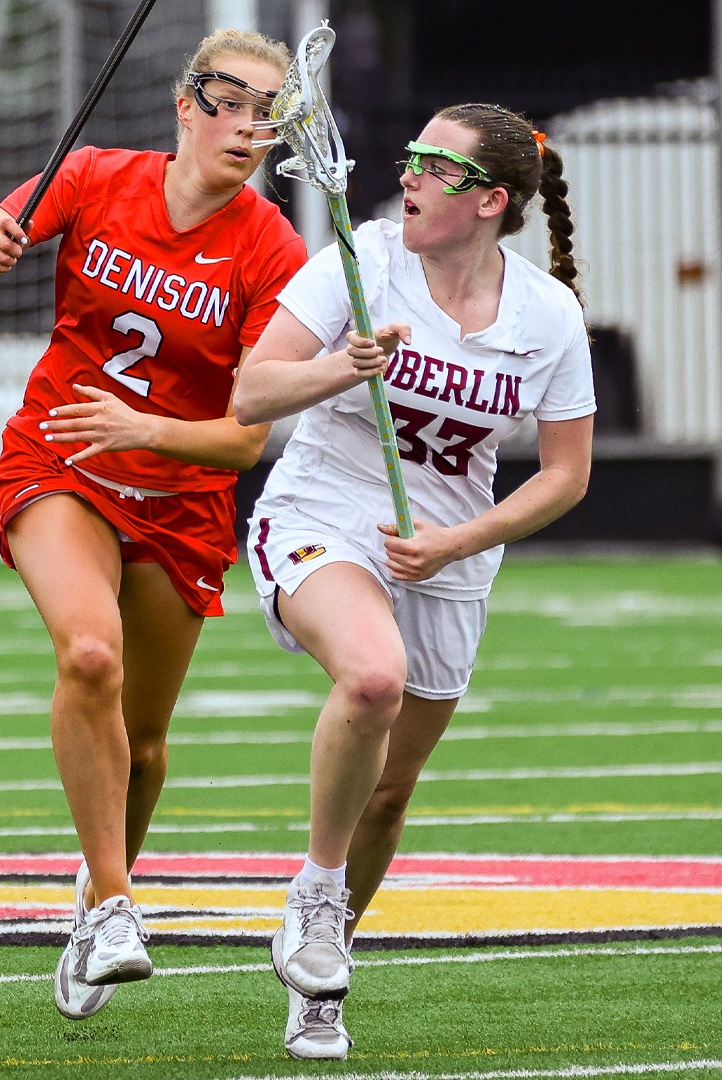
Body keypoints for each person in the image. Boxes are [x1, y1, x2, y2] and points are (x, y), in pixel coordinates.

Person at [0, 30, 307, 1017]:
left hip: (181, 498)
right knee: (91, 655)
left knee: (148, 740)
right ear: (185, 103)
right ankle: (120, 906)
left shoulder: (273, 250)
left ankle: (94, 900)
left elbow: (244, 442)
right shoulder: (92, 177)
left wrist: (148, 429)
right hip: (63, 464)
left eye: (268, 113)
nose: (246, 126)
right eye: (229, 101)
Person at [233, 103, 594, 1058]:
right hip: (324, 510)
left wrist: (457, 541)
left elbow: (566, 475)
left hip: (447, 549)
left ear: (492, 201)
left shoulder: (548, 316)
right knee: (373, 679)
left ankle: (322, 976)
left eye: (439, 166)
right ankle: (316, 894)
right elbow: (251, 392)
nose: (412, 177)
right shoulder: (364, 260)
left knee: (390, 793)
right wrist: (341, 368)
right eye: (413, 158)